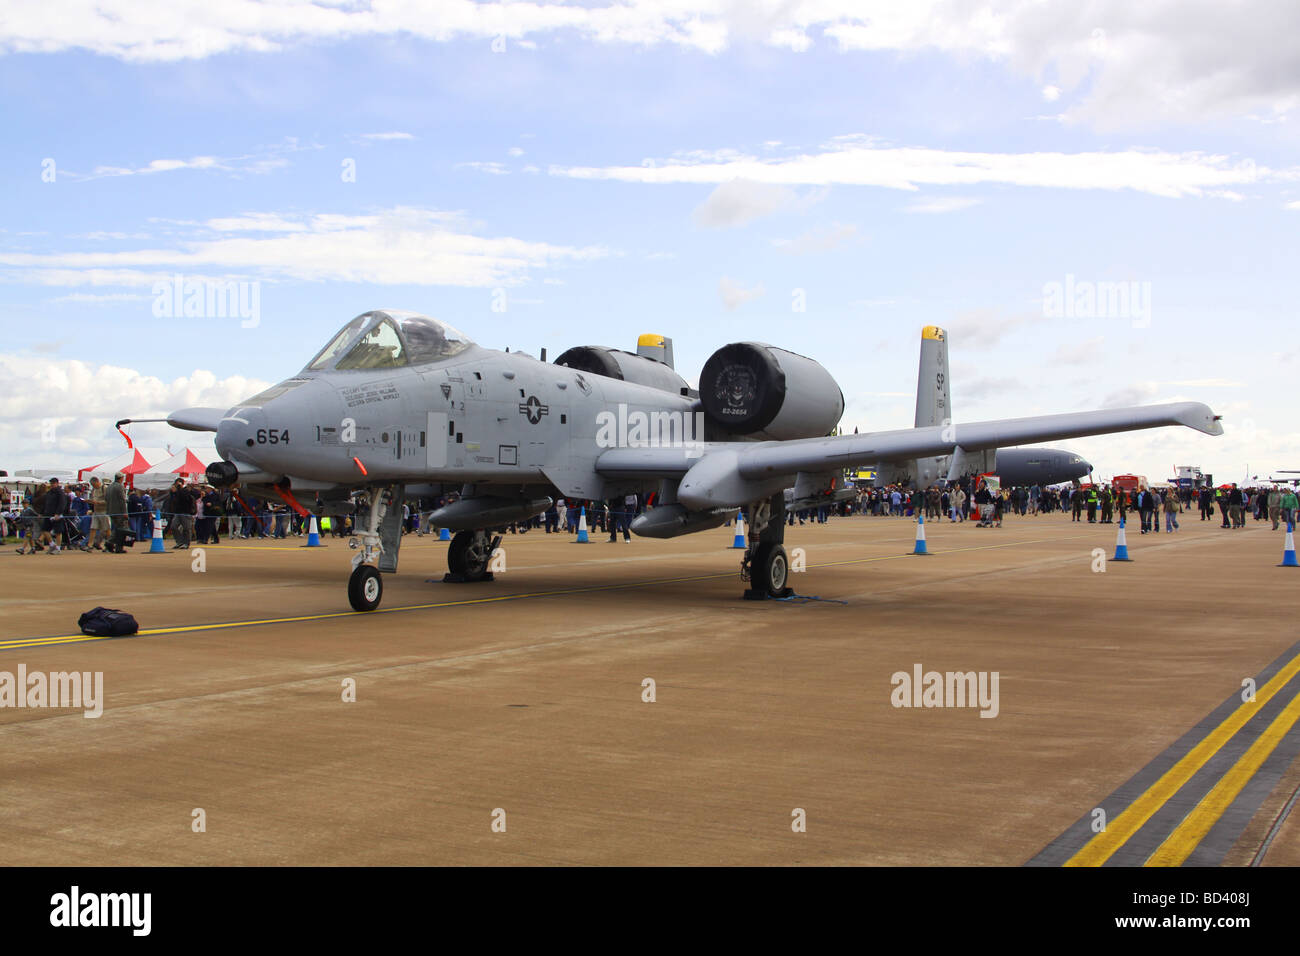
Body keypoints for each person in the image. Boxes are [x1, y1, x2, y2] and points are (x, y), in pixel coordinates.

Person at [105, 472, 129, 553]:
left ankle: (111, 543)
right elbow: (122, 500)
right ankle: (115, 545)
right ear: (121, 478)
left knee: (117, 528)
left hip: (111, 511)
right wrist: (125, 512)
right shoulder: (120, 487)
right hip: (119, 511)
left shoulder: (109, 487)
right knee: (121, 529)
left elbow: (106, 499)